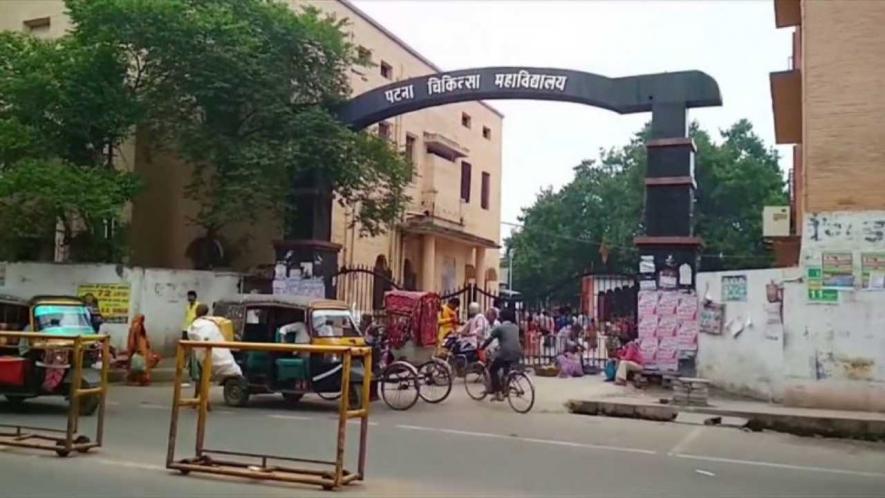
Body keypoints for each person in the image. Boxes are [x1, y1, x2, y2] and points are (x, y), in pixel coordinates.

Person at [187, 304, 243, 386]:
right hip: (214, 353)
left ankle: (200, 391)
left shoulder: (195, 324)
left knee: (202, 374)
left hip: (202, 355)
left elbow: (193, 336)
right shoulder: (211, 323)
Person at [480, 308, 522, 402]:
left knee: (493, 369)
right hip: (517, 352)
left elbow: (489, 339)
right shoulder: (515, 327)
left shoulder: (500, 328)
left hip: (505, 352)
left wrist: (482, 347)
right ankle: (505, 387)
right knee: (506, 370)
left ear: (502, 318)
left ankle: (498, 392)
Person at [126, 314, 157, 386]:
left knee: (137, 364)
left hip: (138, 347)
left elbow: (133, 339)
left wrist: (134, 348)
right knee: (142, 365)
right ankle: (143, 380)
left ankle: (138, 379)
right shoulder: (138, 326)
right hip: (141, 348)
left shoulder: (135, 326)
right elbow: (141, 338)